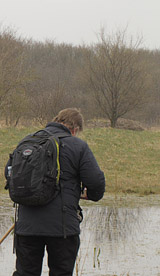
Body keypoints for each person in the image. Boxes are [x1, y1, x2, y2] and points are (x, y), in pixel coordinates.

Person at [9, 108, 105, 276]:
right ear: (74, 129)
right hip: (62, 228)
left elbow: (9, 174)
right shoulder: (78, 146)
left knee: (25, 273)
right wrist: (90, 195)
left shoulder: (28, 141)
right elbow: (96, 181)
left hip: (26, 226)